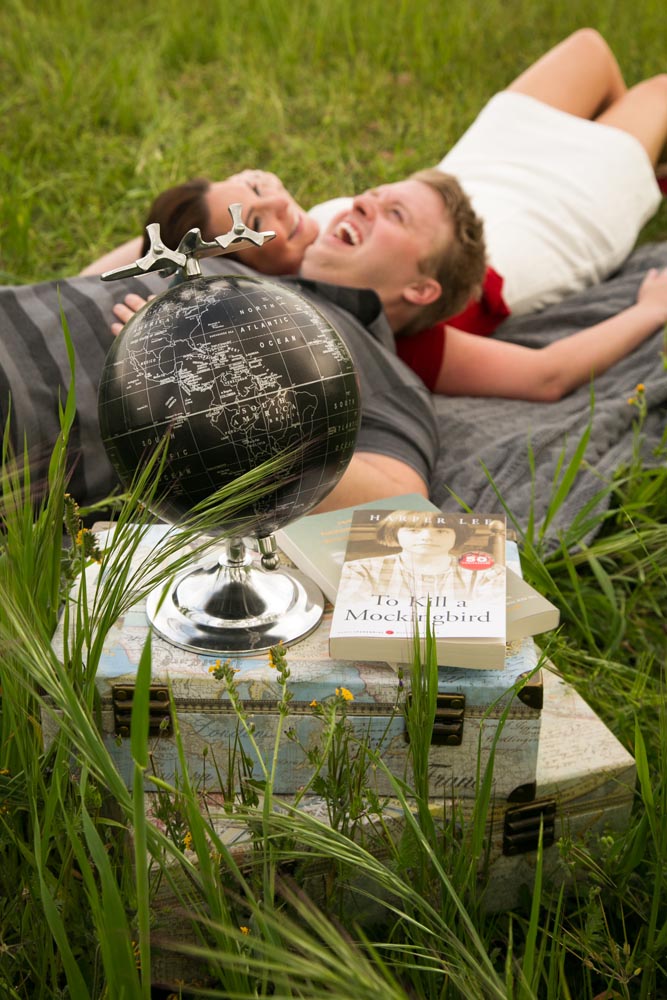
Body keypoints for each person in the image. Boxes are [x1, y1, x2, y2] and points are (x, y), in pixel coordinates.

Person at [84, 28, 667, 325]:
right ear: (238, 260)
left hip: (460, 182)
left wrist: (77, 289)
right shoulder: (338, 302)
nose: (280, 210)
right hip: (548, 220)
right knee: (657, 94)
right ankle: (636, 170)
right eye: (257, 222)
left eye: (257, 189)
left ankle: (641, 163)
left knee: (590, 51)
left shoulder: (299, 241)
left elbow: (161, 243)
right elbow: (541, 378)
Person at [336, 509, 505, 605]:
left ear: (457, 536)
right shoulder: (361, 570)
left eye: (441, 531)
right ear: (394, 533)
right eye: (414, 530)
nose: (427, 537)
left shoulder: (487, 574)